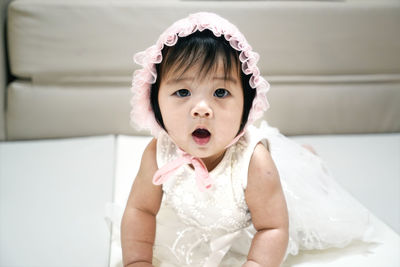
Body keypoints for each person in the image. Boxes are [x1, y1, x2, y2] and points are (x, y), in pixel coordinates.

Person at [121, 12, 371, 267]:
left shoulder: (255, 163)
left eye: (221, 92)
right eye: (182, 91)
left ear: (247, 105)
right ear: (155, 102)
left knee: (308, 182)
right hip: (198, 222)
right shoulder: (158, 153)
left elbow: (272, 228)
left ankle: (307, 159)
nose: (201, 109)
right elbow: (140, 211)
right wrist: (137, 260)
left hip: (254, 217)